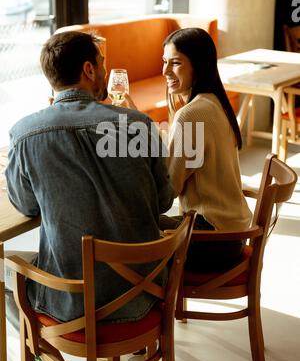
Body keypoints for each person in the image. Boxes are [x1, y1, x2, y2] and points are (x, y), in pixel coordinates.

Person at [4, 30, 174, 326]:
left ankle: (48, 354)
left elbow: (26, 205)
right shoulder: (139, 125)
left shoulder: (25, 134)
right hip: (145, 294)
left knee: (10, 270)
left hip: (71, 304)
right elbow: (163, 201)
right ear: (89, 69)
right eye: (102, 63)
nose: (105, 71)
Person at [159, 27, 252, 272]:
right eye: (164, 62)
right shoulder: (215, 102)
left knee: (127, 233)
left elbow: (167, 193)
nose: (165, 71)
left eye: (175, 63)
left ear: (198, 65)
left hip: (211, 238)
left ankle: (150, 309)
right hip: (232, 234)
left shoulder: (190, 114)